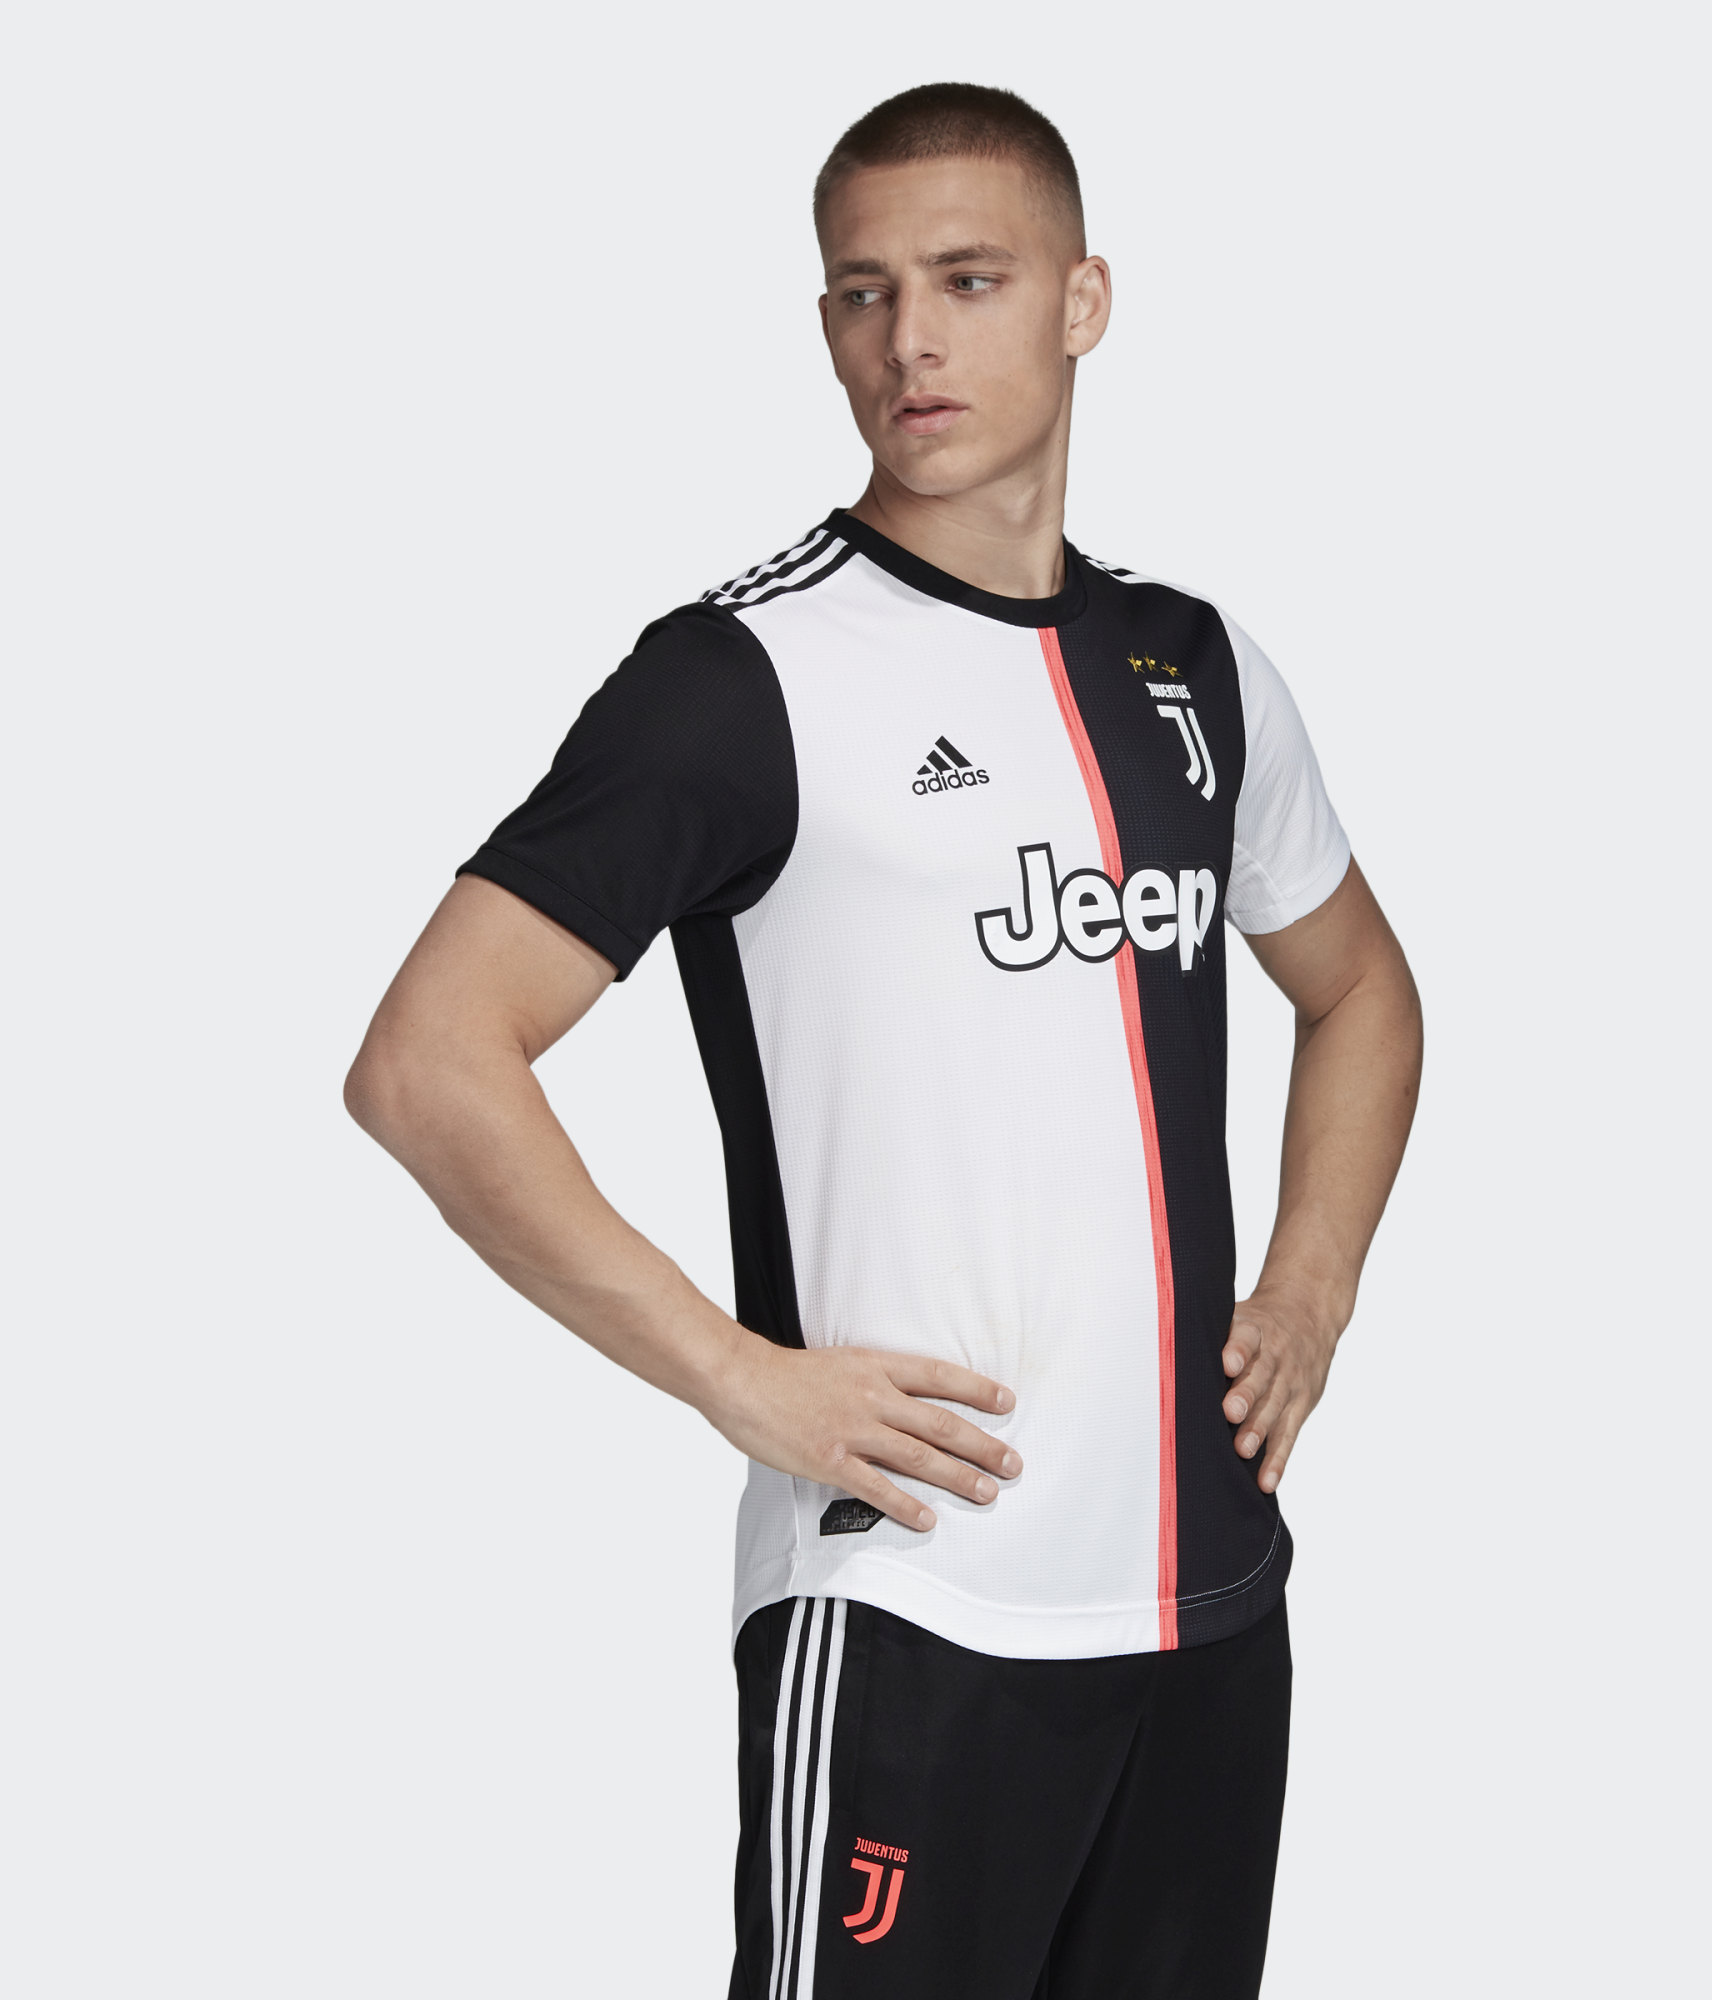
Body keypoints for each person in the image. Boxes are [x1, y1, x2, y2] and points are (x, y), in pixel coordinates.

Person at [345, 81, 1422, 1999]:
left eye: (968, 280)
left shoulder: (1193, 666)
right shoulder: (739, 676)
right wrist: (736, 1377)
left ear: (1083, 301)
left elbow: (1359, 989)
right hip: (916, 1611)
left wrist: (1314, 1284)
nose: (908, 339)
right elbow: (429, 1062)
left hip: (1205, 1611)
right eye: (863, 292)